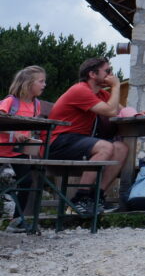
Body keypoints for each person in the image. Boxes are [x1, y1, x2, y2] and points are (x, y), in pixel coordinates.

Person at [47, 58, 129, 216]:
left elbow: (123, 112)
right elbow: (111, 111)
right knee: (106, 147)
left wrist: (139, 114)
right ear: (92, 74)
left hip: (77, 141)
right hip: (58, 141)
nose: (111, 75)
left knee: (121, 148)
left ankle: (96, 197)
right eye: (107, 71)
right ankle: (80, 199)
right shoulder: (80, 90)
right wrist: (116, 86)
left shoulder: (101, 94)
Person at [1, 66, 47, 232]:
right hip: (2, 148)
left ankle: (16, 220)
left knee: (26, 182)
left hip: (18, 151)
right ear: (28, 83)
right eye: (41, 81)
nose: (44, 85)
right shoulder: (10, 101)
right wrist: (14, 133)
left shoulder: (36, 104)